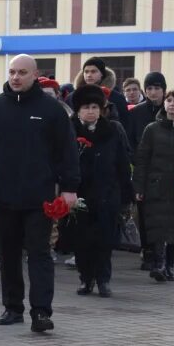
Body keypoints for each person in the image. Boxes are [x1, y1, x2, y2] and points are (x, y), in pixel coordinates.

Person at [0, 54, 79, 333]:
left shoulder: (51, 109)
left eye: (22, 73)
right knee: (8, 254)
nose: (16, 77)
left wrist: (69, 188)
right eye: (12, 72)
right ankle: (12, 307)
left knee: (39, 254)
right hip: (3, 195)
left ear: (35, 75)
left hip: (39, 197)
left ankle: (41, 311)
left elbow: (67, 151)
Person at [69, 84, 133, 297]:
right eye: (86, 107)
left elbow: (123, 163)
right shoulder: (69, 130)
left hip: (107, 193)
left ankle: (103, 279)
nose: (90, 111)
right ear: (78, 109)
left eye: (95, 107)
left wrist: (126, 194)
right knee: (82, 240)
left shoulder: (112, 129)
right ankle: (86, 278)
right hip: (79, 195)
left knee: (105, 240)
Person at [134, 89, 174, 282]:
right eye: (169, 100)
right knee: (158, 225)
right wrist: (139, 187)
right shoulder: (152, 129)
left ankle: (169, 265)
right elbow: (142, 159)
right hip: (156, 185)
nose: (172, 104)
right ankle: (158, 264)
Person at [128, 71, 168, 268]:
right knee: (143, 214)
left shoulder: (172, 110)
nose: (153, 92)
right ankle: (148, 250)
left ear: (164, 90)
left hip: (167, 171)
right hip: (143, 171)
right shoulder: (136, 112)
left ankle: (162, 254)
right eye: (150, 88)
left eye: (157, 88)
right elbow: (129, 141)